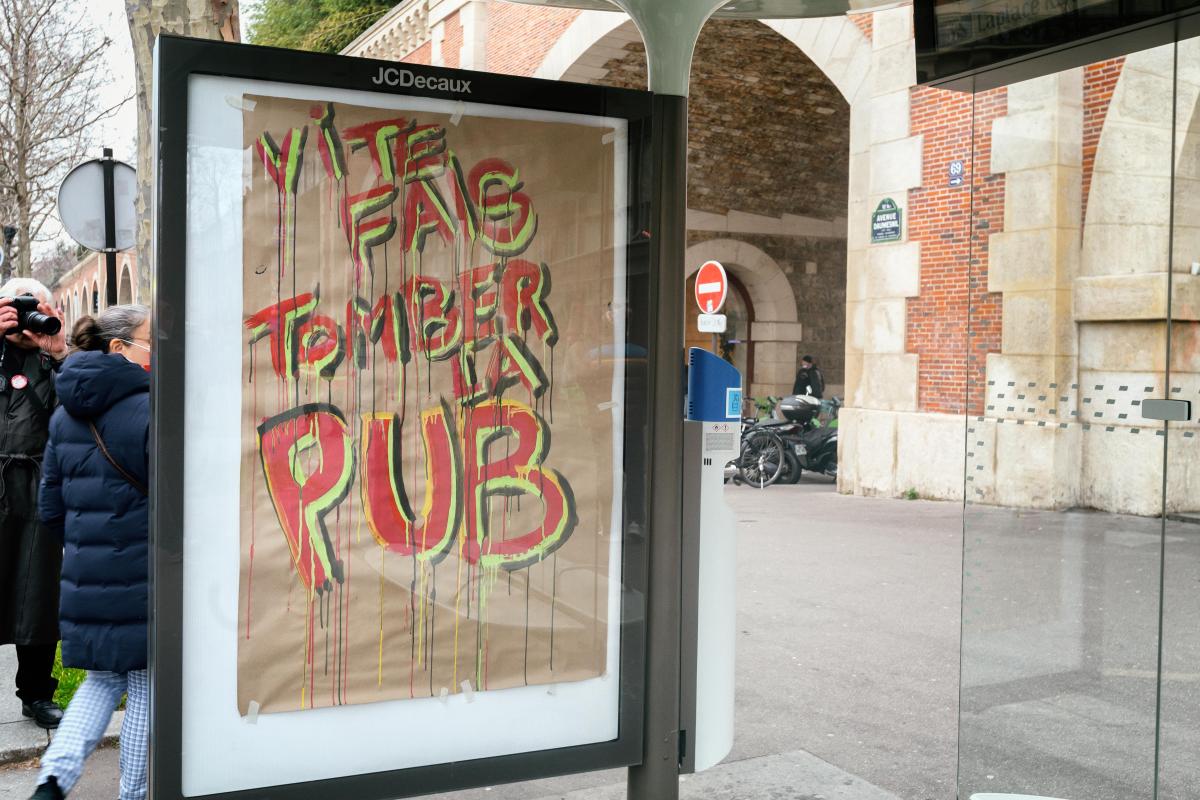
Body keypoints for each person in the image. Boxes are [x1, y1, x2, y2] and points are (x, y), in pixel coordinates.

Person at [32, 306, 151, 800]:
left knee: (100, 680)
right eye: (152, 342)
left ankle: (52, 781)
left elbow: (50, 507)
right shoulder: (150, 408)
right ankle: (132, 794)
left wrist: (88, 547)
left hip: (87, 576)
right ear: (120, 349)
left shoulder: (65, 412)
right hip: (147, 575)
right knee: (148, 683)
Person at [0, 278, 67, 730]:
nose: (25, 318)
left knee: (37, 591)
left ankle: (37, 693)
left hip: (41, 485)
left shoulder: (54, 352)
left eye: (33, 306)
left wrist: (58, 349)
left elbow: (83, 402)